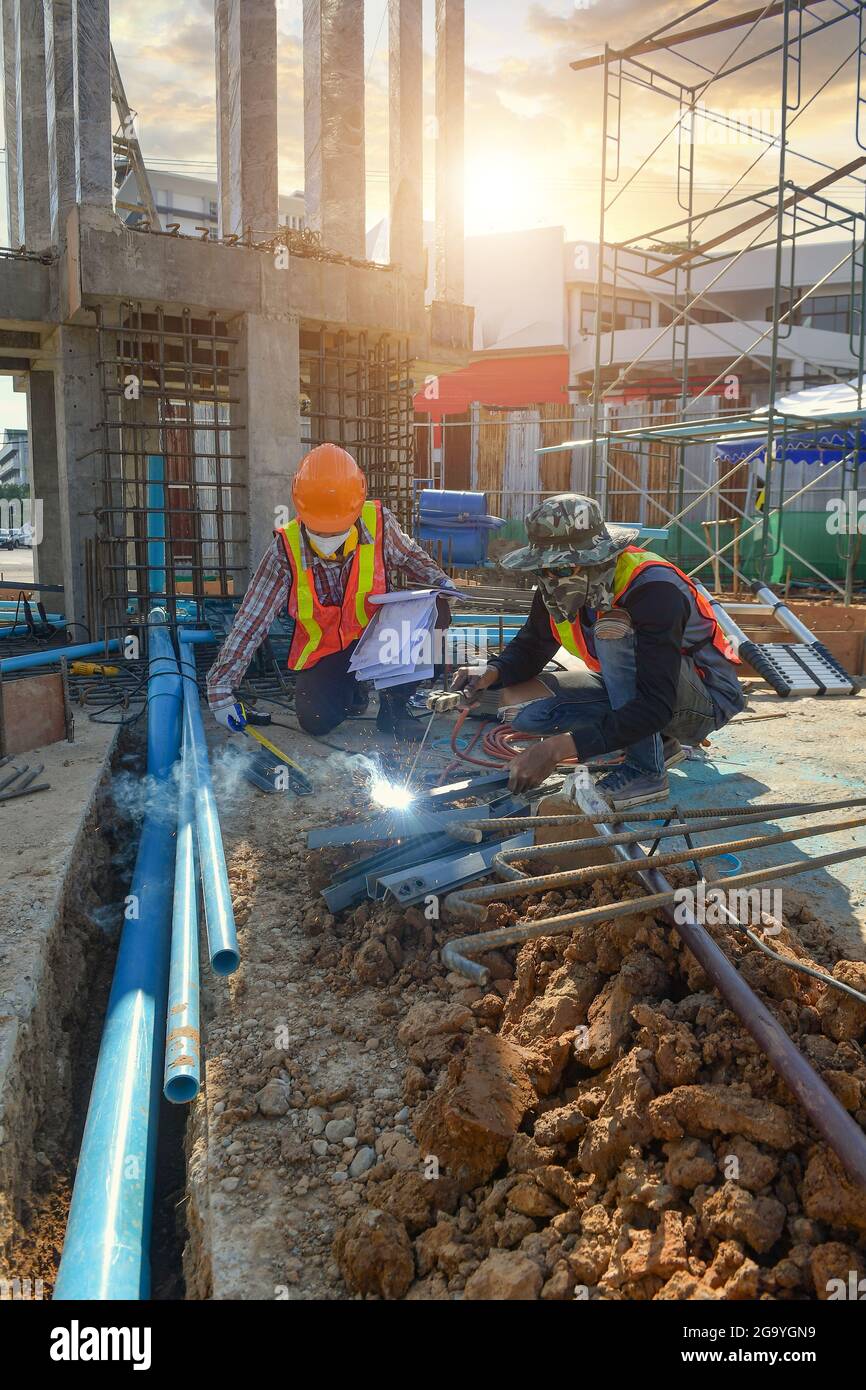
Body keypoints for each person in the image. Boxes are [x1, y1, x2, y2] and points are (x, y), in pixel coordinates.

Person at [452, 493, 745, 808]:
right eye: (545, 568)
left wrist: (554, 750)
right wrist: (490, 673)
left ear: (598, 558)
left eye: (562, 568)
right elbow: (533, 643)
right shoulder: (555, 587)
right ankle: (661, 742)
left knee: (613, 631)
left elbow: (655, 703)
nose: (551, 577)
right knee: (534, 717)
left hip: (704, 700)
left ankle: (646, 771)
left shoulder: (653, 589)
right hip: (649, 691)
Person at [207, 443, 456, 742]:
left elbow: (411, 558)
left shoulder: (379, 524)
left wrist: (442, 584)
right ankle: (352, 691)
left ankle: (396, 708)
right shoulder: (285, 550)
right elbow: (252, 619)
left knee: (436, 610)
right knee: (317, 721)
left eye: (336, 528)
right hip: (326, 650)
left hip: (377, 639)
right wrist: (221, 690)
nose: (328, 537)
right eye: (320, 530)